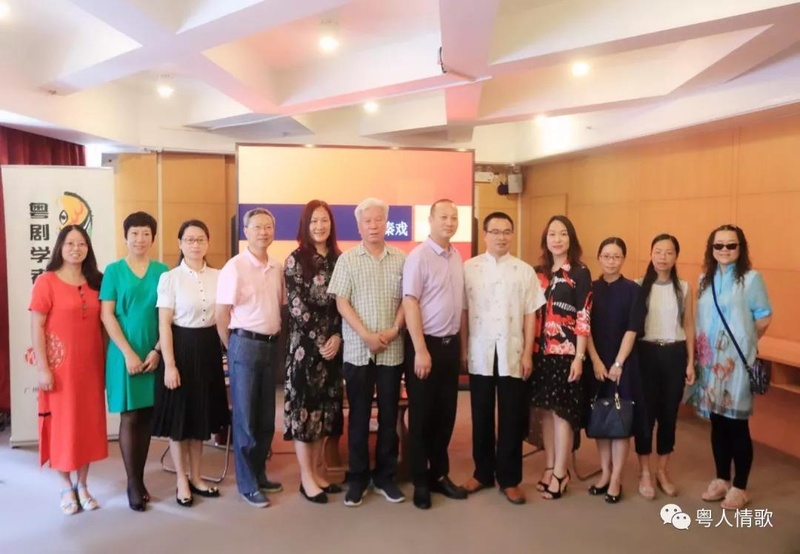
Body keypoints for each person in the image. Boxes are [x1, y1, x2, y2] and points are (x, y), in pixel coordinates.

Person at [460, 212, 545, 505]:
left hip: (512, 352)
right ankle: (482, 473)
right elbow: (464, 312)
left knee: (511, 417)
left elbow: (531, 314)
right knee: (481, 415)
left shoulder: (524, 271)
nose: (501, 237)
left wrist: (528, 353)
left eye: (507, 231)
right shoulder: (468, 268)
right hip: (480, 351)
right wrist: (463, 348)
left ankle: (509, 479)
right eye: (495, 231)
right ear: (484, 234)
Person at [327, 197, 406, 508]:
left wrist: (394, 329)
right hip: (359, 351)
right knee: (358, 417)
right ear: (359, 226)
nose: (373, 225)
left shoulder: (401, 259)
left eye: (378, 220)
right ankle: (358, 478)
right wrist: (366, 336)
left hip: (392, 349)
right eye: (367, 221)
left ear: (387, 223)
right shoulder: (347, 260)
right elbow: (341, 302)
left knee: (389, 416)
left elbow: (408, 299)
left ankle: (386, 476)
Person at [689, 224, 771, 510]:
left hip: (736, 364)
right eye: (719, 245)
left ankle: (740, 486)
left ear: (740, 248)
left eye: (731, 245)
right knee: (718, 423)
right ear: (711, 249)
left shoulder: (751, 279)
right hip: (708, 362)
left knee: (737, 425)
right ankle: (722, 478)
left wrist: (744, 344)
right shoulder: (704, 279)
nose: (724, 250)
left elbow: (763, 317)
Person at [29, 225, 107, 515]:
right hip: (60, 369)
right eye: (70, 243)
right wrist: (43, 368)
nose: (76, 249)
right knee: (63, 427)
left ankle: (83, 484)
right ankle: (65, 486)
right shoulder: (46, 281)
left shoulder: (97, 281)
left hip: (91, 367)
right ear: (60, 247)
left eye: (82, 243)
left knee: (87, 425)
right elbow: (36, 326)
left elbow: (105, 325)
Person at [152, 220, 229, 507]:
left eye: (200, 239)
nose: (195, 245)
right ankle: (181, 480)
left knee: (200, 417)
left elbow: (223, 317)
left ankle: (197, 477)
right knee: (179, 420)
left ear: (208, 243)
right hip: (180, 349)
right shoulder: (170, 278)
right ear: (180, 243)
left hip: (208, 349)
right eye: (189, 239)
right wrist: (170, 365)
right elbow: (164, 324)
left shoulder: (220, 276)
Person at [215, 208, 285, 509]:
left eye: (268, 226)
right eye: (257, 227)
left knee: (266, 417)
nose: (263, 232)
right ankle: (246, 484)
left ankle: (259, 473)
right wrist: (232, 346)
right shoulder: (235, 267)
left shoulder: (277, 267)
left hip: (271, 345)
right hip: (243, 344)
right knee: (244, 418)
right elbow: (221, 314)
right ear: (246, 231)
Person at [100, 212, 168, 512]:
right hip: (123, 352)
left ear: (153, 238)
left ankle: (139, 478)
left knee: (147, 416)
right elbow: (107, 315)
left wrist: (157, 351)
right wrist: (128, 353)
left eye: (146, 234)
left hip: (153, 351)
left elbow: (168, 314)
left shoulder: (162, 271)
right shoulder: (114, 271)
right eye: (134, 233)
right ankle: (133, 482)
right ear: (125, 236)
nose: (140, 239)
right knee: (129, 417)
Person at [403, 199, 466, 510]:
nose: (449, 222)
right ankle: (420, 481)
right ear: (430, 220)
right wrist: (420, 350)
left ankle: (439, 474)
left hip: (450, 347)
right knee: (422, 417)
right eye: (443, 217)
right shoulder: (419, 257)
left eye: (454, 217)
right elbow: (410, 302)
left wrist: (462, 348)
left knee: (446, 415)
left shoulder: (457, 256)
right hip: (425, 346)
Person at [283, 200, 344, 504]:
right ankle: (306, 477)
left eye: (324, 220)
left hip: (334, 347)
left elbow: (345, 302)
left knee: (325, 412)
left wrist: (337, 336)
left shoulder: (340, 260)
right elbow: (296, 306)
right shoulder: (295, 260)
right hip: (305, 349)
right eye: (314, 221)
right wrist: (321, 340)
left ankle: (319, 472)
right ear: (305, 226)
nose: (319, 226)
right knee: (304, 412)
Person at [530, 215, 591, 500]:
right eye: (552, 234)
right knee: (545, 412)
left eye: (563, 234)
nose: (557, 239)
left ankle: (561, 473)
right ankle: (549, 465)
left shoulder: (579, 272)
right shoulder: (538, 273)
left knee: (562, 413)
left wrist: (580, 356)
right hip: (539, 352)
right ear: (545, 239)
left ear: (571, 239)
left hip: (566, 353)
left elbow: (583, 316)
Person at [585, 237, 646, 504]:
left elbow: (632, 329)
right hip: (596, 362)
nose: (611, 261)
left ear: (623, 259)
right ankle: (605, 472)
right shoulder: (590, 289)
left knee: (620, 419)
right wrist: (596, 361)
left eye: (617, 256)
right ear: (599, 258)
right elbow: (584, 328)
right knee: (600, 417)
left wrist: (618, 363)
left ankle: (617, 477)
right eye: (606, 256)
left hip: (624, 364)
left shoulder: (633, 290)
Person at [635, 234, 695, 499]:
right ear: (651, 254)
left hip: (674, 354)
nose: (663, 257)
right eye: (658, 251)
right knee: (645, 415)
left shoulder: (684, 288)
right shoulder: (639, 285)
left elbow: (689, 325)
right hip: (646, 353)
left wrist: (690, 361)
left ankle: (662, 470)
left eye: (669, 252)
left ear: (676, 257)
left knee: (669, 415)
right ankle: (645, 472)